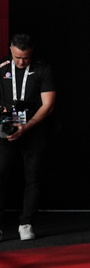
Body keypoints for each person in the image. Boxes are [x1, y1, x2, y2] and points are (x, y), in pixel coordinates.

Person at [0, 34, 56, 241]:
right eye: (17, 58)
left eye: (25, 58)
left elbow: (48, 104)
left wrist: (27, 126)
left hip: (34, 128)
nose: (21, 62)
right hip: (5, 127)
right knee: (0, 174)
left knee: (33, 177)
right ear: (10, 50)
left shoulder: (43, 69)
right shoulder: (2, 67)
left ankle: (26, 223)